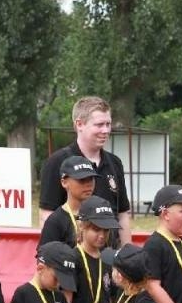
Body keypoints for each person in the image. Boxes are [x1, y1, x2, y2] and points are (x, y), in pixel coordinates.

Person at [38, 97, 132, 235]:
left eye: (108, 124)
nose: (105, 130)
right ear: (80, 124)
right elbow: (46, 215)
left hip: (110, 254)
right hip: (73, 252)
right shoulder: (57, 162)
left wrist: (126, 253)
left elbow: (122, 214)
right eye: (99, 125)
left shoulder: (115, 163)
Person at [38, 156, 99, 247]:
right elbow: (44, 260)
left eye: (91, 178)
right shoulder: (55, 222)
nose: (88, 184)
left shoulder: (102, 215)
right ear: (64, 182)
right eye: (81, 180)